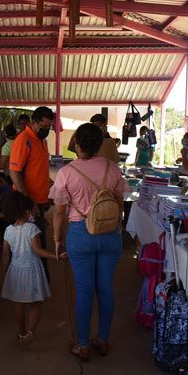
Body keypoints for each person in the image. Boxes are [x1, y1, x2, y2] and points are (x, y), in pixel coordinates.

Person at [51, 123, 126, 361]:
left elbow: (59, 212)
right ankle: (102, 341)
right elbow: (119, 205)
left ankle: (83, 345)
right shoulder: (113, 168)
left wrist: (57, 239)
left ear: (77, 144)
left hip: (80, 234)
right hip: (110, 234)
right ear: (99, 144)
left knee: (84, 290)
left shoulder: (66, 172)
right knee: (105, 288)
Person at [1, 191, 60, 345]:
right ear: (27, 211)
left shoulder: (8, 230)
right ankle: (30, 332)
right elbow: (38, 250)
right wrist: (55, 256)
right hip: (32, 270)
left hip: (15, 270)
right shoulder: (32, 229)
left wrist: (6, 271)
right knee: (36, 302)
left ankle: (21, 333)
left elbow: (5, 254)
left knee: (18, 303)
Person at [10, 106, 54, 280]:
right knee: (29, 247)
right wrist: (29, 202)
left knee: (38, 243)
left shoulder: (42, 141)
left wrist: (47, 186)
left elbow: (37, 167)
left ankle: (39, 282)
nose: (47, 130)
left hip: (39, 201)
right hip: (26, 204)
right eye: (44, 127)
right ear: (33, 122)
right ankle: (28, 283)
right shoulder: (23, 139)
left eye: (49, 127)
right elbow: (14, 173)